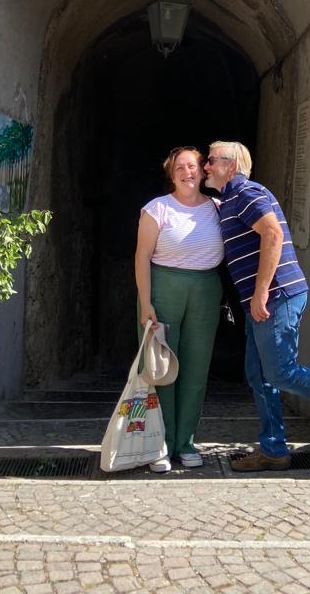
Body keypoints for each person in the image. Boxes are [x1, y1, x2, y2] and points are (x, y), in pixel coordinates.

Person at [203, 140, 310, 472]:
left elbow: (273, 235)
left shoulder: (247, 193)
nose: (206, 166)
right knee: (259, 375)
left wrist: (261, 291)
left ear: (231, 165)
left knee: (281, 373)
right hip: (261, 300)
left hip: (274, 296)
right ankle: (274, 450)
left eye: (211, 160)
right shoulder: (232, 199)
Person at [135, 146, 224, 473]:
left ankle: (185, 442)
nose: (188, 172)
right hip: (164, 289)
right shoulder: (157, 209)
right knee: (160, 369)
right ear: (171, 175)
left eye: (193, 166)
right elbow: (142, 257)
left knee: (196, 369)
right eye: (180, 168)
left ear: (203, 170)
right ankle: (159, 443)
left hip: (205, 290)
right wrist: (146, 302)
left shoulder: (217, 208)